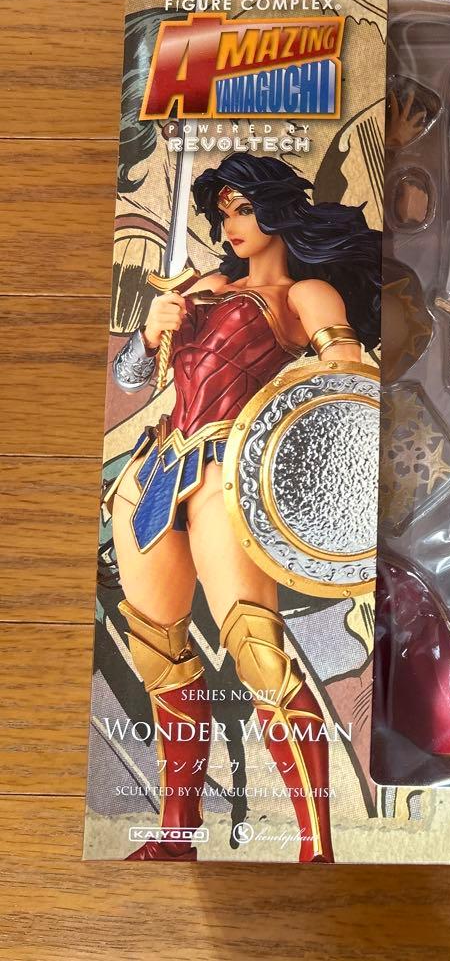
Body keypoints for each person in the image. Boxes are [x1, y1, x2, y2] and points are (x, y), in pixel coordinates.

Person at [107, 152, 380, 861]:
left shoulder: (304, 294)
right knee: (161, 657)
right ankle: (176, 835)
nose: (232, 224)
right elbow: (134, 378)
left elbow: (348, 385)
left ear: (278, 211)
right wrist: (148, 332)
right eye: (224, 212)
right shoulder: (201, 286)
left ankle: (317, 848)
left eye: (246, 209)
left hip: (231, 472)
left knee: (259, 655)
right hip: (155, 471)